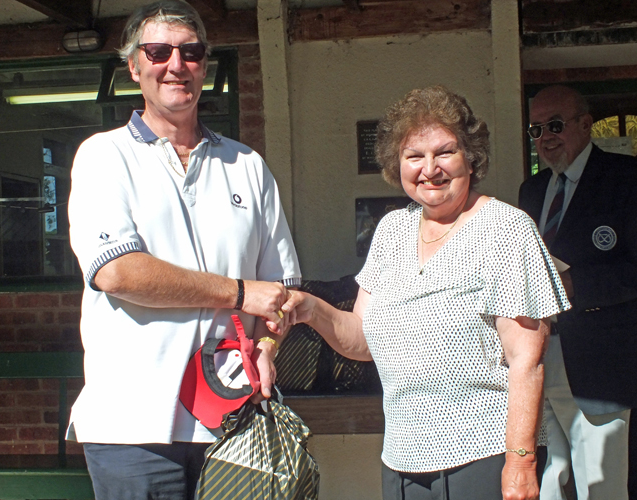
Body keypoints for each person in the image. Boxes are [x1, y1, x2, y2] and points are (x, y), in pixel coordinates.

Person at [280, 85, 570, 500]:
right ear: (396, 164)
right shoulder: (391, 230)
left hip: (483, 454)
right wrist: (310, 309)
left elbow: (528, 361)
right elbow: (363, 339)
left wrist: (521, 463)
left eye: (444, 152)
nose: (429, 168)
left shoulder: (506, 229)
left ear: (470, 157)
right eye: (414, 156)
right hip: (402, 457)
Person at [65, 2, 301, 499]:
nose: (177, 64)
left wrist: (267, 346)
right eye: (159, 51)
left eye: (191, 52)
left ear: (205, 65)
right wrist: (238, 293)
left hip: (234, 423)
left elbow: (279, 289)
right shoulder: (104, 157)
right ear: (134, 67)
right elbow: (119, 274)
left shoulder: (248, 166)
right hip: (135, 427)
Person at [518, 85, 637, 500]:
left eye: (555, 125)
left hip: (600, 368)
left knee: (601, 487)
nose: (546, 137)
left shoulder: (627, 178)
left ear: (586, 124)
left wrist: (573, 285)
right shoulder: (531, 191)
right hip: (537, 357)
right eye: (536, 129)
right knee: (550, 481)